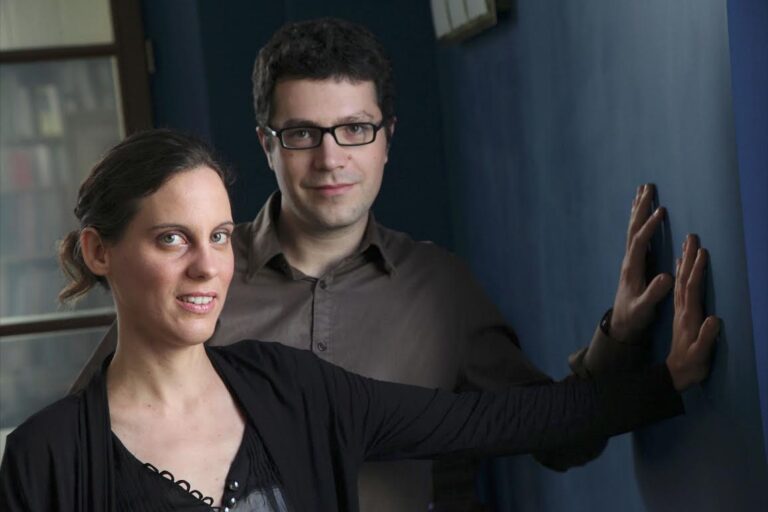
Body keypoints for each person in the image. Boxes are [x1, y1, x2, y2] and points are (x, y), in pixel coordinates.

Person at [73, 18, 692, 510]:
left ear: (387, 138)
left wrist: (622, 334)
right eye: (302, 134)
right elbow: (80, 452)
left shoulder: (442, 288)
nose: (330, 159)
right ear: (267, 144)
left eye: (354, 129)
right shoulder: (196, 281)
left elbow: (556, 438)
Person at [0, 129, 717, 511]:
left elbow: (494, 420)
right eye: (171, 239)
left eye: (218, 236)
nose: (207, 267)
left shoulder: (293, 388)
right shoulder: (48, 458)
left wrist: (663, 379)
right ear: (99, 251)